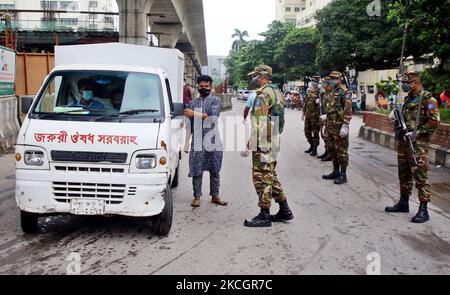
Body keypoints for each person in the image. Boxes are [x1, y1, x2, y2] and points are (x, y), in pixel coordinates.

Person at [385, 72, 440, 223]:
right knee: (404, 174)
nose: (404, 86)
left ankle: (424, 210)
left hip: (418, 145)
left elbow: (434, 121)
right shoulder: (408, 98)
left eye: (407, 83)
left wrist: (417, 133)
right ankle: (403, 203)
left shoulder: (428, 99)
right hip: (404, 142)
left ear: (414, 83)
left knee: (420, 176)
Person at [244, 65, 293, 228]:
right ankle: (284, 209)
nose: (255, 78)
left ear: (262, 76)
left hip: (264, 140)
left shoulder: (263, 94)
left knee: (261, 176)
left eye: (256, 75)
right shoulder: (276, 92)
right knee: (270, 174)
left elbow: (260, 122)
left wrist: (251, 141)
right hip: (273, 138)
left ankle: (264, 214)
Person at [184, 75, 228, 208]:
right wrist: (186, 142)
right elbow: (189, 125)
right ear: (198, 87)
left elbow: (212, 118)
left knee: (215, 168)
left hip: (213, 139)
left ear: (211, 87)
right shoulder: (193, 103)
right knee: (197, 169)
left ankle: (215, 196)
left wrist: (193, 114)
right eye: (202, 86)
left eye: (206, 86)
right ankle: (196, 197)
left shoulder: (216, 101)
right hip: (197, 140)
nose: (204, 88)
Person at [322, 71, 353, 185]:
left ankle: (343, 174)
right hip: (330, 125)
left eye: (334, 78)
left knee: (342, 151)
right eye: (331, 78)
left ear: (340, 79)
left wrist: (345, 125)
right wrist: (326, 117)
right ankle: (335, 171)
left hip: (340, 126)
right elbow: (331, 107)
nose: (332, 80)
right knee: (331, 149)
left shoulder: (345, 92)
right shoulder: (331, 91)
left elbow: (348, 110)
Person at [302, 76, 321, 156]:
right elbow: (305, 104)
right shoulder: (308, 93)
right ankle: (311, 145)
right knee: (307, 132)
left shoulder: (319, 94)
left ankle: (315, 149)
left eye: (313, 82)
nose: (311, 85)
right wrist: (303, 114)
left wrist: (320, 101)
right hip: (308, 116)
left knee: (315, 132)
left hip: (315, 117)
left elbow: (324, 105)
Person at [318, 77, 332, 161]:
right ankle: (326, 151)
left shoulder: (331, 93)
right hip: (323, 115)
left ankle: (330, 154)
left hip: (328, 117)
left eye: (325, 84)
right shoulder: (324, 93)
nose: (324, 85)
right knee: (324, 135)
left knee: (328, 136)